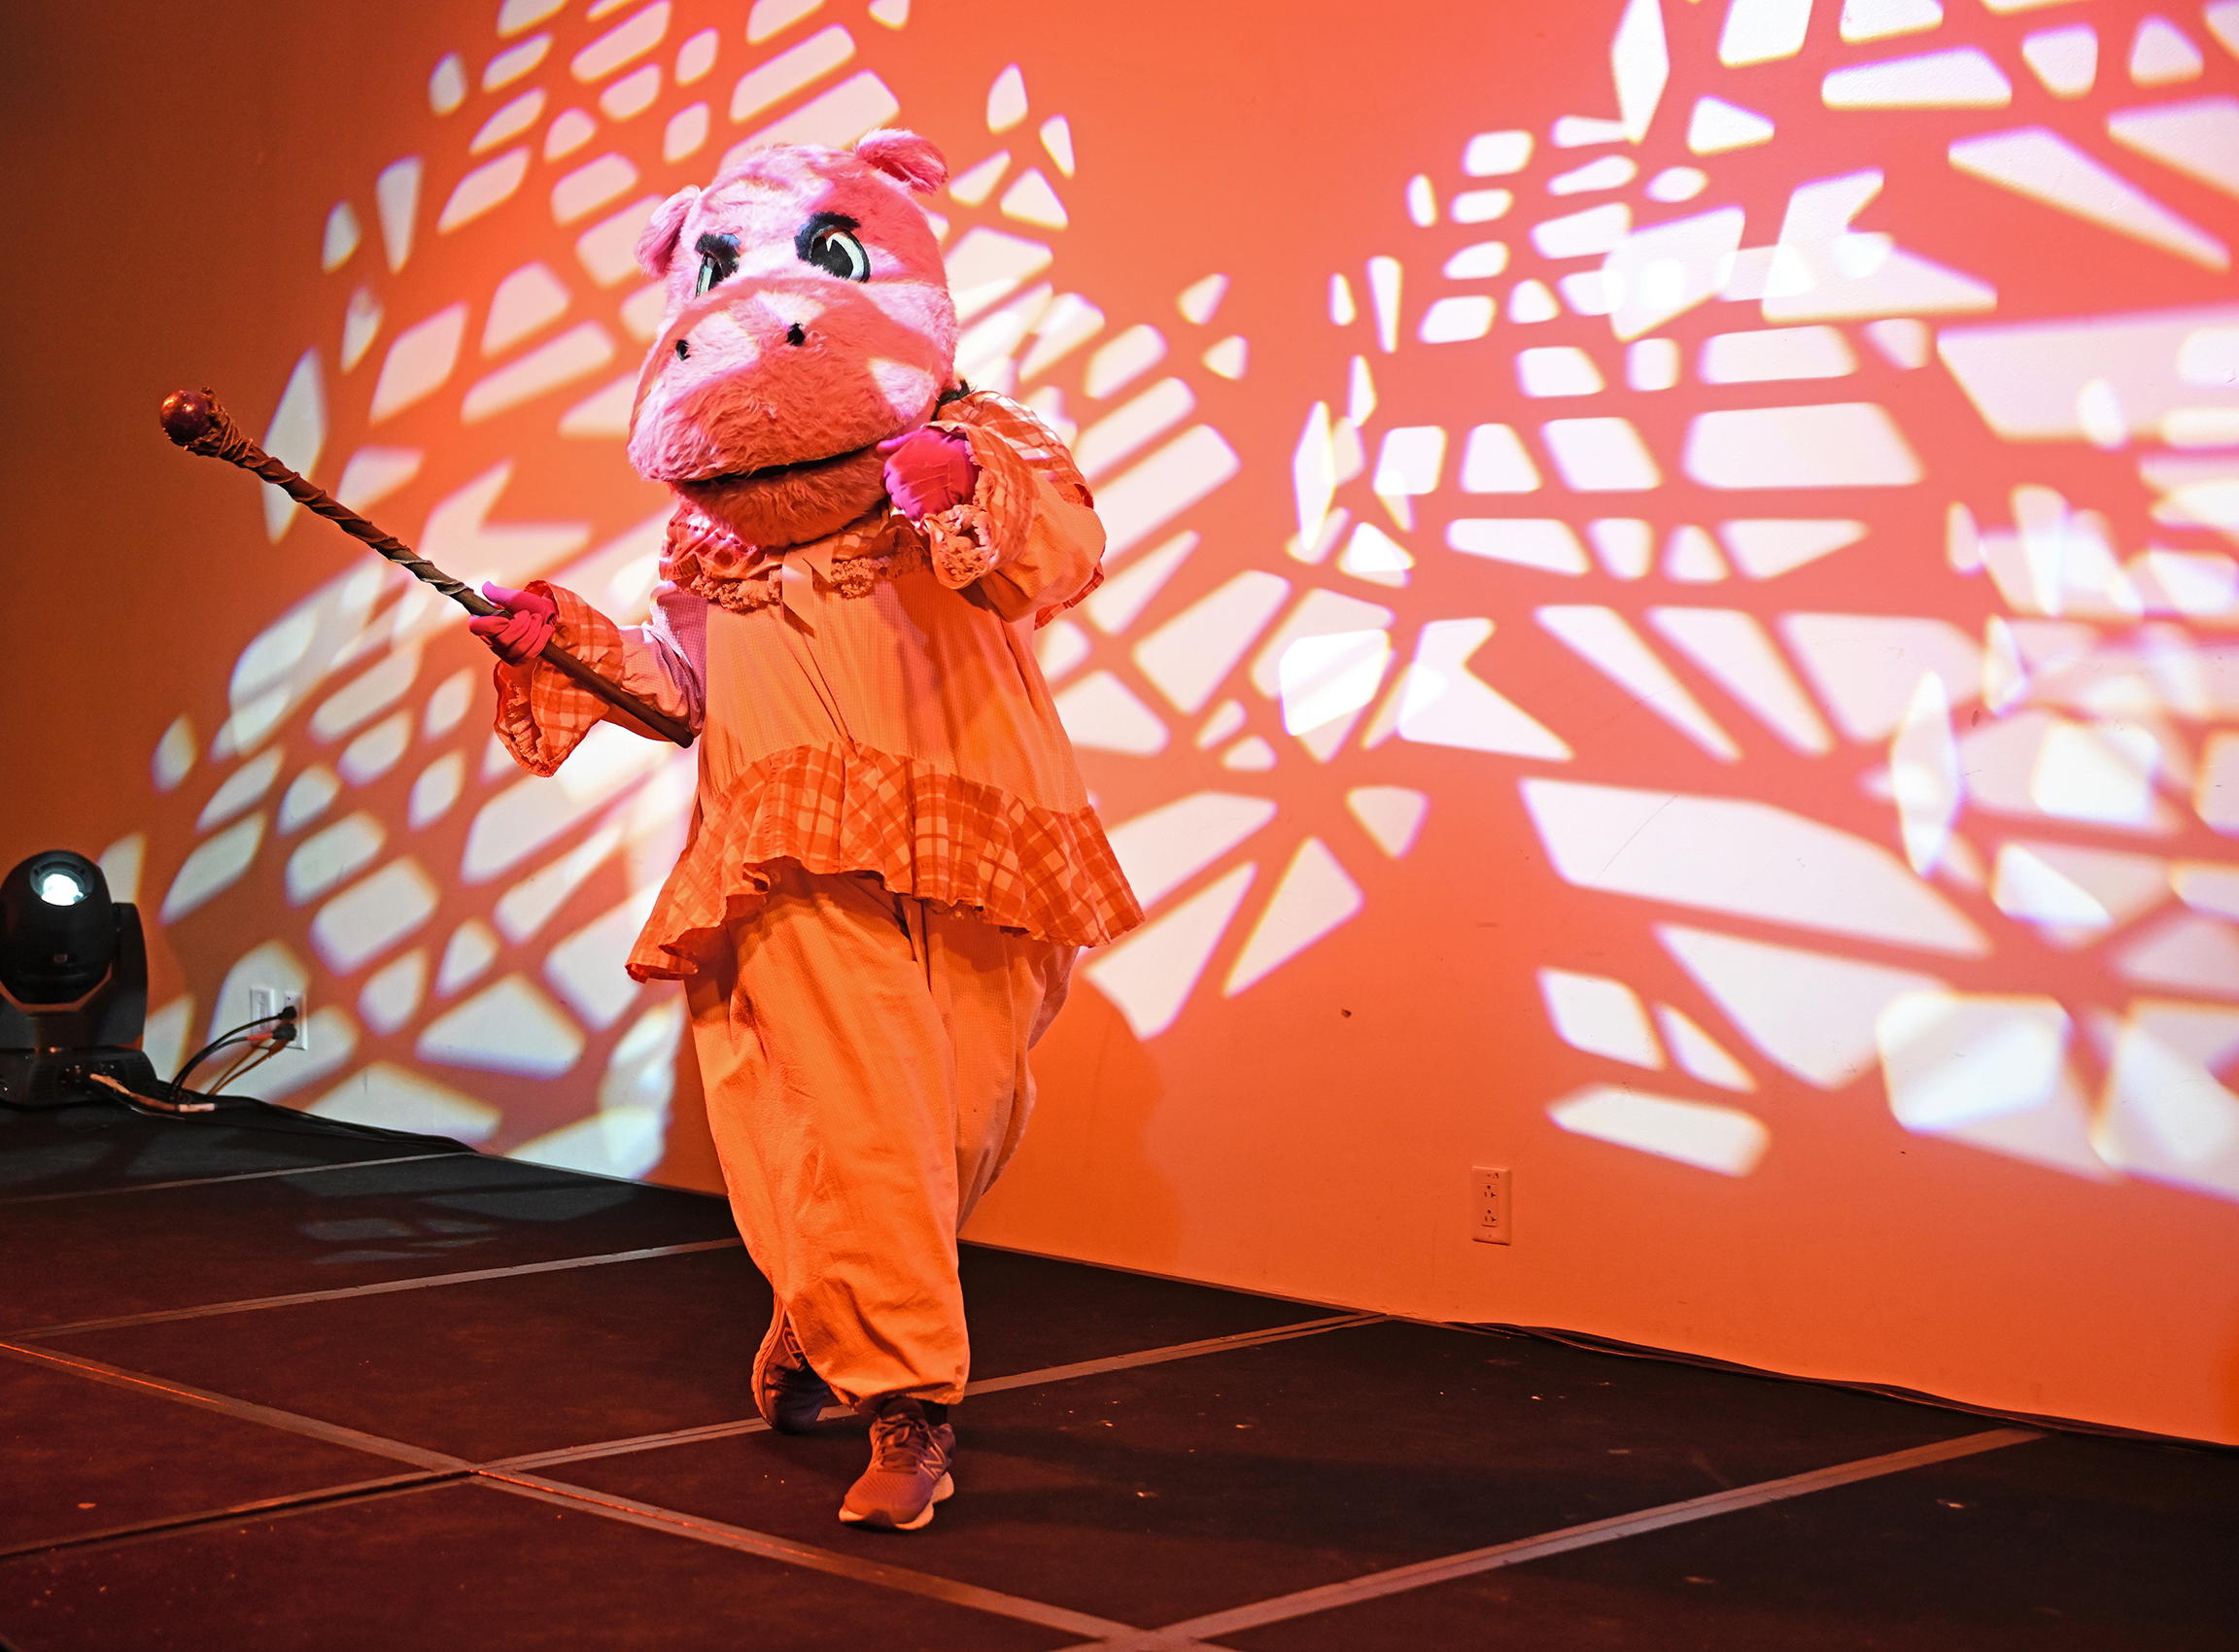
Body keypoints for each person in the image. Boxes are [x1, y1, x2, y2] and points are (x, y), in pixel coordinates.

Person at [466, 129, 1141, 1532]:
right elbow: (679, 692)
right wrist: (563, 642)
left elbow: (1058, 560)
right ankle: (911, 1412)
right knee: (858, 1113)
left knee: (955, 1122)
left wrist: (962, 490)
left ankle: (819, 1316)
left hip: (976, 834)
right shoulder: (712, 539)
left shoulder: (984, 439)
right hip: (786, 839)